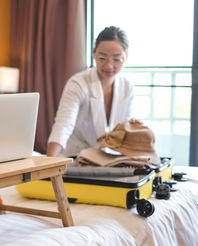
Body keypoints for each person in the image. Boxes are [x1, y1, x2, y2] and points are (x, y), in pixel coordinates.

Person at [47, 26, 134, 157]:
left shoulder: (127, 87)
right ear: (94, 53)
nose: (109, 65)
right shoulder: (78, 83)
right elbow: (63, 125)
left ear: (125, 57)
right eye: (102, 57)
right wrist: (49, 163)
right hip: (75, 156)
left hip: (110, 157)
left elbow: (125, 129)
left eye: (116, 59)